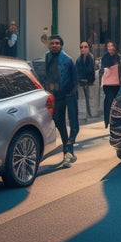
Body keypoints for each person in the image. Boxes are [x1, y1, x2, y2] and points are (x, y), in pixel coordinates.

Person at [45, 35, 79, 167]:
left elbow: (74, 81)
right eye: (52, 43)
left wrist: (71, 94)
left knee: (73, 125)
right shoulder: (47, 57)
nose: (54, 45)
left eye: (57, 43)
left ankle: (69, 153)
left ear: (61, 45)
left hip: (69, 95)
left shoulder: (68, 60)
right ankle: (66, 146)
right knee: (59, 122)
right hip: (56, 96)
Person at [100, 40, 121, 128]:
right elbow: (104, 68)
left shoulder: (118, 56)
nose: (110, 48)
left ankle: (112, 119)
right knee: (108, 101)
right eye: (108, 46)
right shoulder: (105, 57)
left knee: (113, 101)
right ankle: (107, 120)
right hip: (107, 83)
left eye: (111, 46)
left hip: (116, 82)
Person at [76, 41, 95, 117]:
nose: (83, 49)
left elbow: (90, 71)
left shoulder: (90, 58)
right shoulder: (78, 60)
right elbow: (77, 71)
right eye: (81, 47)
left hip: (89, 83)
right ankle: (86, 114)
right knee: (83, 100)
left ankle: (90, 113)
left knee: (89, 99)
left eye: (85, 47)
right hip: (81, 82)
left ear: (89, 48)